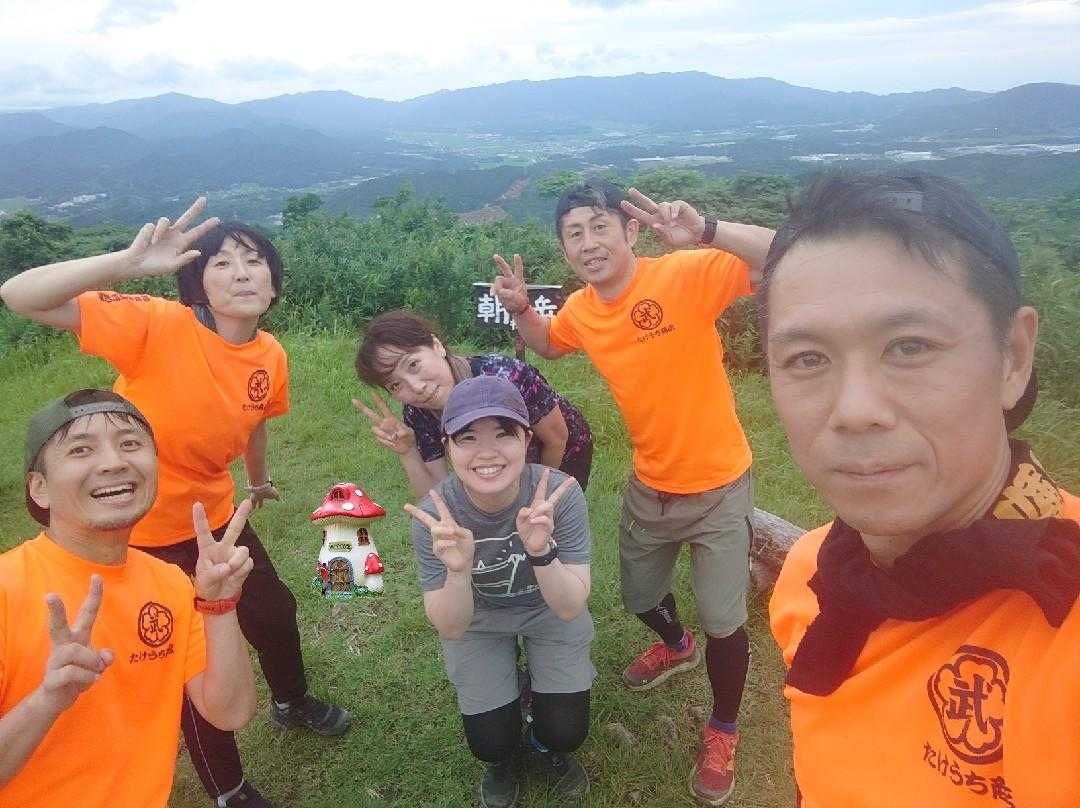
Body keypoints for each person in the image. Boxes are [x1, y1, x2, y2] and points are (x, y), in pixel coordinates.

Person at [0, 200, 349, 808]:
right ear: (197, 283)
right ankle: (229, 789)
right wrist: (126, 263)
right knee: (188, 663)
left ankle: (291, 701)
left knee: (273, 610)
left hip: (214, 520)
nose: (242, 273)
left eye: (255, 261)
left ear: (273, 285)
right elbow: (20, 295)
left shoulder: (270, 354)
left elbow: (255, 423)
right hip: (138, 531)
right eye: (222, 263)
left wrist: (258, 481)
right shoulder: (158, 324)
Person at [763, 170, 1080, 807]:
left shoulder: (1060, 612)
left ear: (1014, 357)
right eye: (807, 359)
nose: (855, 410)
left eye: (909, 347)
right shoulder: (812, 573)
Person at [490, 178, 774, 804]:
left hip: (720, 484)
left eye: (600, 226)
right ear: (564, 248)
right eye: (574, 234)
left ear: (632, 231)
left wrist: (707, 231)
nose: (589, 243)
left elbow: (784, 252)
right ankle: (676, 645)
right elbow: (551, 344)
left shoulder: (684, 273)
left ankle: (723, 729)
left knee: (724, 621)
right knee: (639, 594)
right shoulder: (581, 309)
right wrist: (522, 310)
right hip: (651, 485)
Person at [0, 389, 257, 807]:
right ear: (39, 488)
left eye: (131, 444)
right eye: (81, 449)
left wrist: (220, 605)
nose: (114, 462)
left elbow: (230, 712)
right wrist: (46, 702)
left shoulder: (170, 584)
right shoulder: (6, 591)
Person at [404, 375, 594, 808]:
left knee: (565, 733)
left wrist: (542, 552)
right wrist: (458, 573)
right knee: (490, 742)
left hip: (548, 609)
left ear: (526, 439)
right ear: (447, 447)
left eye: (503, 434)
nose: (486, 452)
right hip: (479, 618)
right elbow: (452, 627)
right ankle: (506, 751)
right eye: (468, 438)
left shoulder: (559, 495)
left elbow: (569, 607)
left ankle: (544, 742)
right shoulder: (436, 517)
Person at [354, 309, 594, 499]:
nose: (416, 387)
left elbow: (557, 438)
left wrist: (538, 499)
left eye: (413, 365)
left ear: (436, 345)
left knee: (549, 524)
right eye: (396, 385)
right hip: (499, 462)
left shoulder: (507, 377)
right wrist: (408, 452)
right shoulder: (419, 412)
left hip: (563, 450)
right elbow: (437, 496)